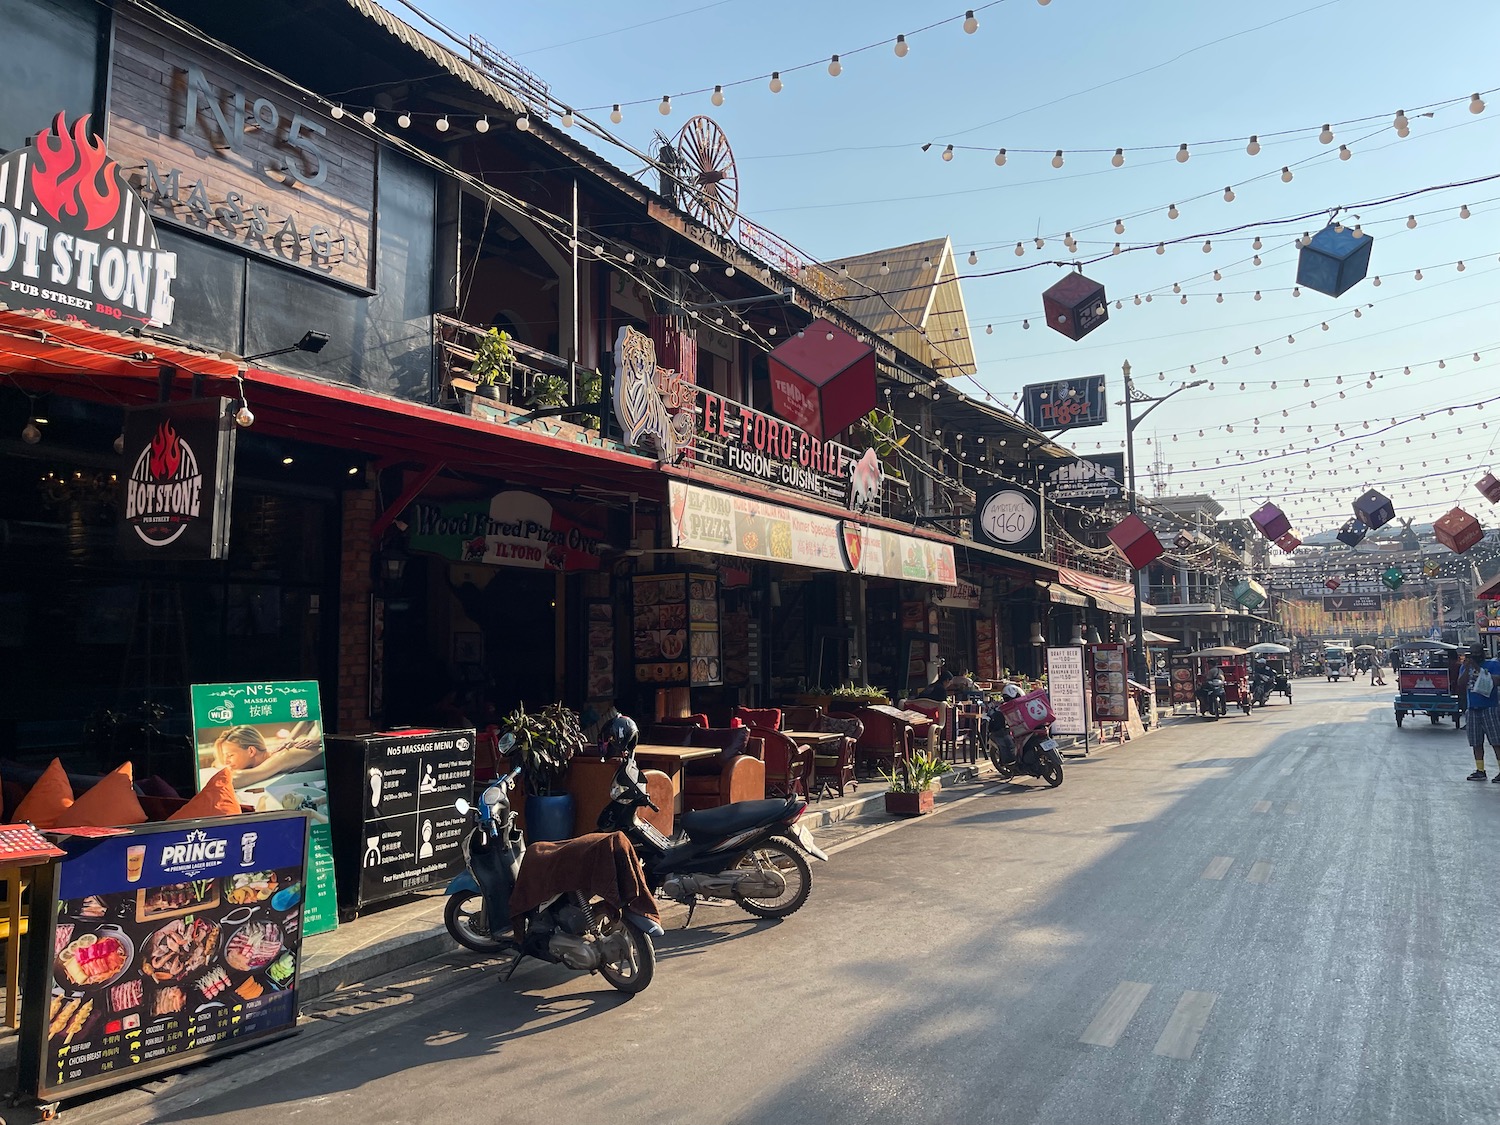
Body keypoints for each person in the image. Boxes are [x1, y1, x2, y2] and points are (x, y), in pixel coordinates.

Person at [211, 725, 323, 787]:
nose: (226, 762)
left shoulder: (283, 756)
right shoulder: (270, 754)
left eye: (230, 755)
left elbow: (235, 779)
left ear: (251, 751)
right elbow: (216, 763)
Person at [1460, 643, 1500, 781]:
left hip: (1490, 707)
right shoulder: (1465, 666)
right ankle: (1480, 770)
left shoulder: (1493, 665)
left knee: (1496, 741)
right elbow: (1461, 684)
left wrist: (1477, 667)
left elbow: (1496, 681)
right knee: (1476, 742)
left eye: (1476, 652)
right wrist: (1466, 669)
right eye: (1472, 653)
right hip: (1473, 709)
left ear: (1482, 653)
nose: (1474, 655)